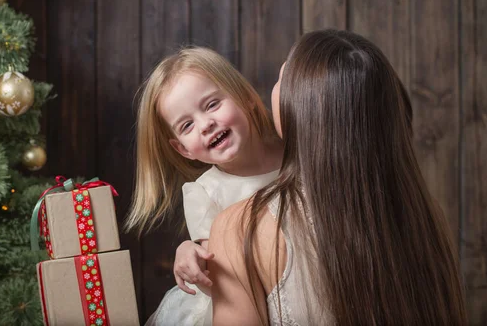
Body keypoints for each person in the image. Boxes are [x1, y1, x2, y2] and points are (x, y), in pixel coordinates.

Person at [208, 29, 468, 325]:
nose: (275, 88)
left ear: (304, 112)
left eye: (283, 78)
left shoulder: (240, 229)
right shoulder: (424, 213)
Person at [124, 47, 283, 325]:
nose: (205, 125)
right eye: (187, 126)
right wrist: (192, 257)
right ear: (183, 149)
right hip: (249, 304)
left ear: (245, 98)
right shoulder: (204, 194)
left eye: (211, 105)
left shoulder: (292, 151)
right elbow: (219, 281)